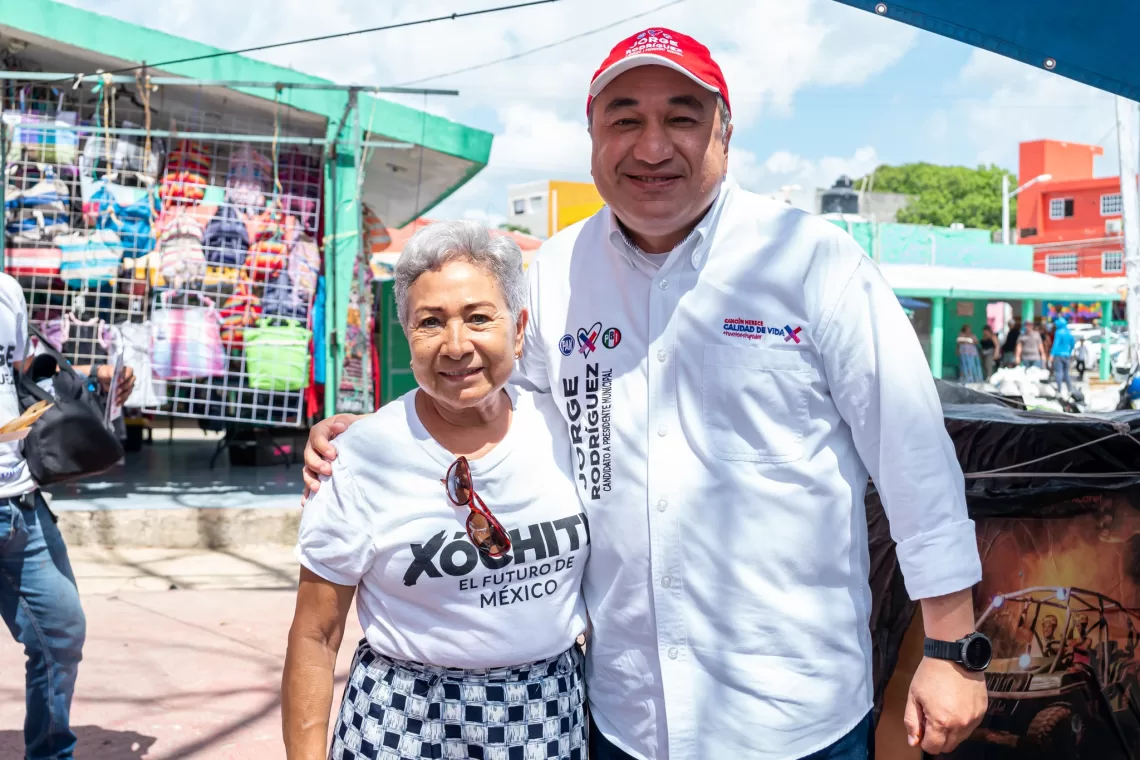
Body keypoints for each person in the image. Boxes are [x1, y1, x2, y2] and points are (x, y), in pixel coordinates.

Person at [303, 28, 988, 760]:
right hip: (623, 714)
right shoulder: (556, 276)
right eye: (625, 119)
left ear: (725, 133)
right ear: (593, 135)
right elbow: (494, 406)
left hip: (795, 715)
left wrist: (951, 647)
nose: (652, 146)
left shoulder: (812, 263)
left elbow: (913, 454)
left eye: (682, 118)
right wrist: (376, 435)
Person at [282, 222, 590, 759]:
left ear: (518, 329)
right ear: (407, 336)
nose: (456, 345)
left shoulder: (566, 426)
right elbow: (315, 635)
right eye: (431, 322)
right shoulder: (361, 458)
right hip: (402, 721)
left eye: (478, 318)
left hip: (549, 717)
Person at [0, 272, 135, 760]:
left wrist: (93, 379)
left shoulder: (6, 291)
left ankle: (51, 754)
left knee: (60, 632)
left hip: (18, 503)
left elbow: (16, 380)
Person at [1049, 317, 1075, 395]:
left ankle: (1059, 390)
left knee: (1058, 372)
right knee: (1066, 373)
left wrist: (1052, 354)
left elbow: (1055, 344)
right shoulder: (1068, 332)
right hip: (1066, 355)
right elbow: (1072, 344)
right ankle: (1070, 390)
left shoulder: (1058, 332)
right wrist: (1069, 352)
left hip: (1058, 355)